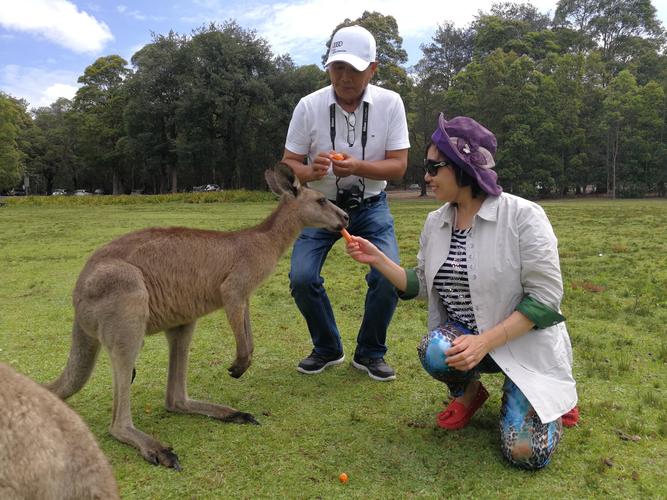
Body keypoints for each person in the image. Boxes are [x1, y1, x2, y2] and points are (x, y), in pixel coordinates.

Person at [345, 113, 578, 469]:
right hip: (469, 341)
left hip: (524, 344)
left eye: (434, 167)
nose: (426, 176)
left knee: (525, 455)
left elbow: (545, 303)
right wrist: (377, 259)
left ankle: (547, 396)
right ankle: (470, 394)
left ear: (462, 167)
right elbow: (422, 284)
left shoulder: (524, 217)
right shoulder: (436, 222)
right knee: (434, 349)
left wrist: (485, 342)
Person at [281, 25, 410, 381]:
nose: (345, 76)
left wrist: (358, 167)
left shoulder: (390, 102)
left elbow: (398, 165)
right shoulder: (308, 106)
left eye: (354, 68)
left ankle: (370, 352)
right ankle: (327, 348)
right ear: (328, 67)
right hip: (319, 208)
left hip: (371, 204)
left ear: (373, 68)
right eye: (337, 67)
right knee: (302, 277)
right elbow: (288, 163)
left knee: (388, 276)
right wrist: (309, 171)